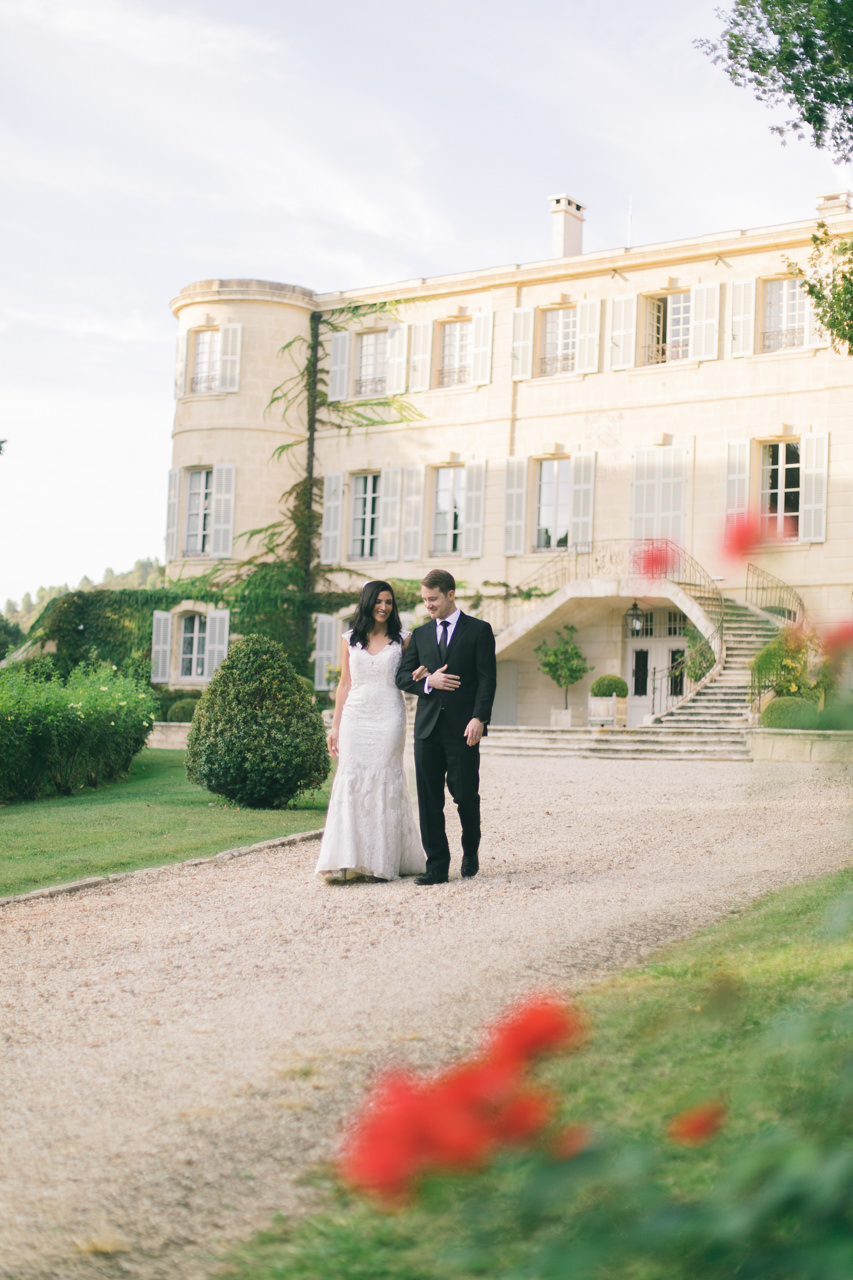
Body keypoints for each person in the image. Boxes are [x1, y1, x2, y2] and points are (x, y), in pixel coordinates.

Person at [315, 580, 427, 883]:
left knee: (383, 779)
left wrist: (424, 672)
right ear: (367, 603)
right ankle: (346, 860)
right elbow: (344, 684)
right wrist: (335, 726)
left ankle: (381, 861)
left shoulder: (404, 639)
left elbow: (411, 674)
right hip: (355, 715)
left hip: (389, 713)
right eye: (378, 601)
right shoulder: (349, 638)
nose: (384, 607)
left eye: (389, 602)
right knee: (351, 779)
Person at [395, 569, 497, 885]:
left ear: (451, 594)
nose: (429, 605)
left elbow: (487, 678)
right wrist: (428, 681)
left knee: (465, 794)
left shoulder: (479, 630)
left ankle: (471, 850)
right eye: (425, 600)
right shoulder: (421, 635)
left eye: (433, 599)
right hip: (427, 730)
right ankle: (437, 866)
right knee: (428, 799)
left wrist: (479, 718)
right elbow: (401, 676)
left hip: (464, 729)